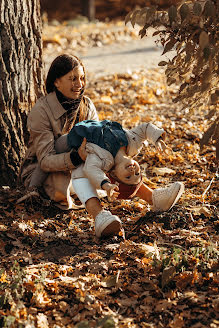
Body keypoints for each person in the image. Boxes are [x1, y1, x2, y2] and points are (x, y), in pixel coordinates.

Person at [19, 54, 184, 238]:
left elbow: (101, 141)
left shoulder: (86, 104)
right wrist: (76, 158)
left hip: (88, 161)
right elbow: (45, 160)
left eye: (82, 78)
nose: (79, 84)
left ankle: (154, 198)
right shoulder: (41, 111)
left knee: (114, 161)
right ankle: (99, 216)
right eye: (72, 79)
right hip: (44, 172)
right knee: (64, 184)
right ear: (57, 82)